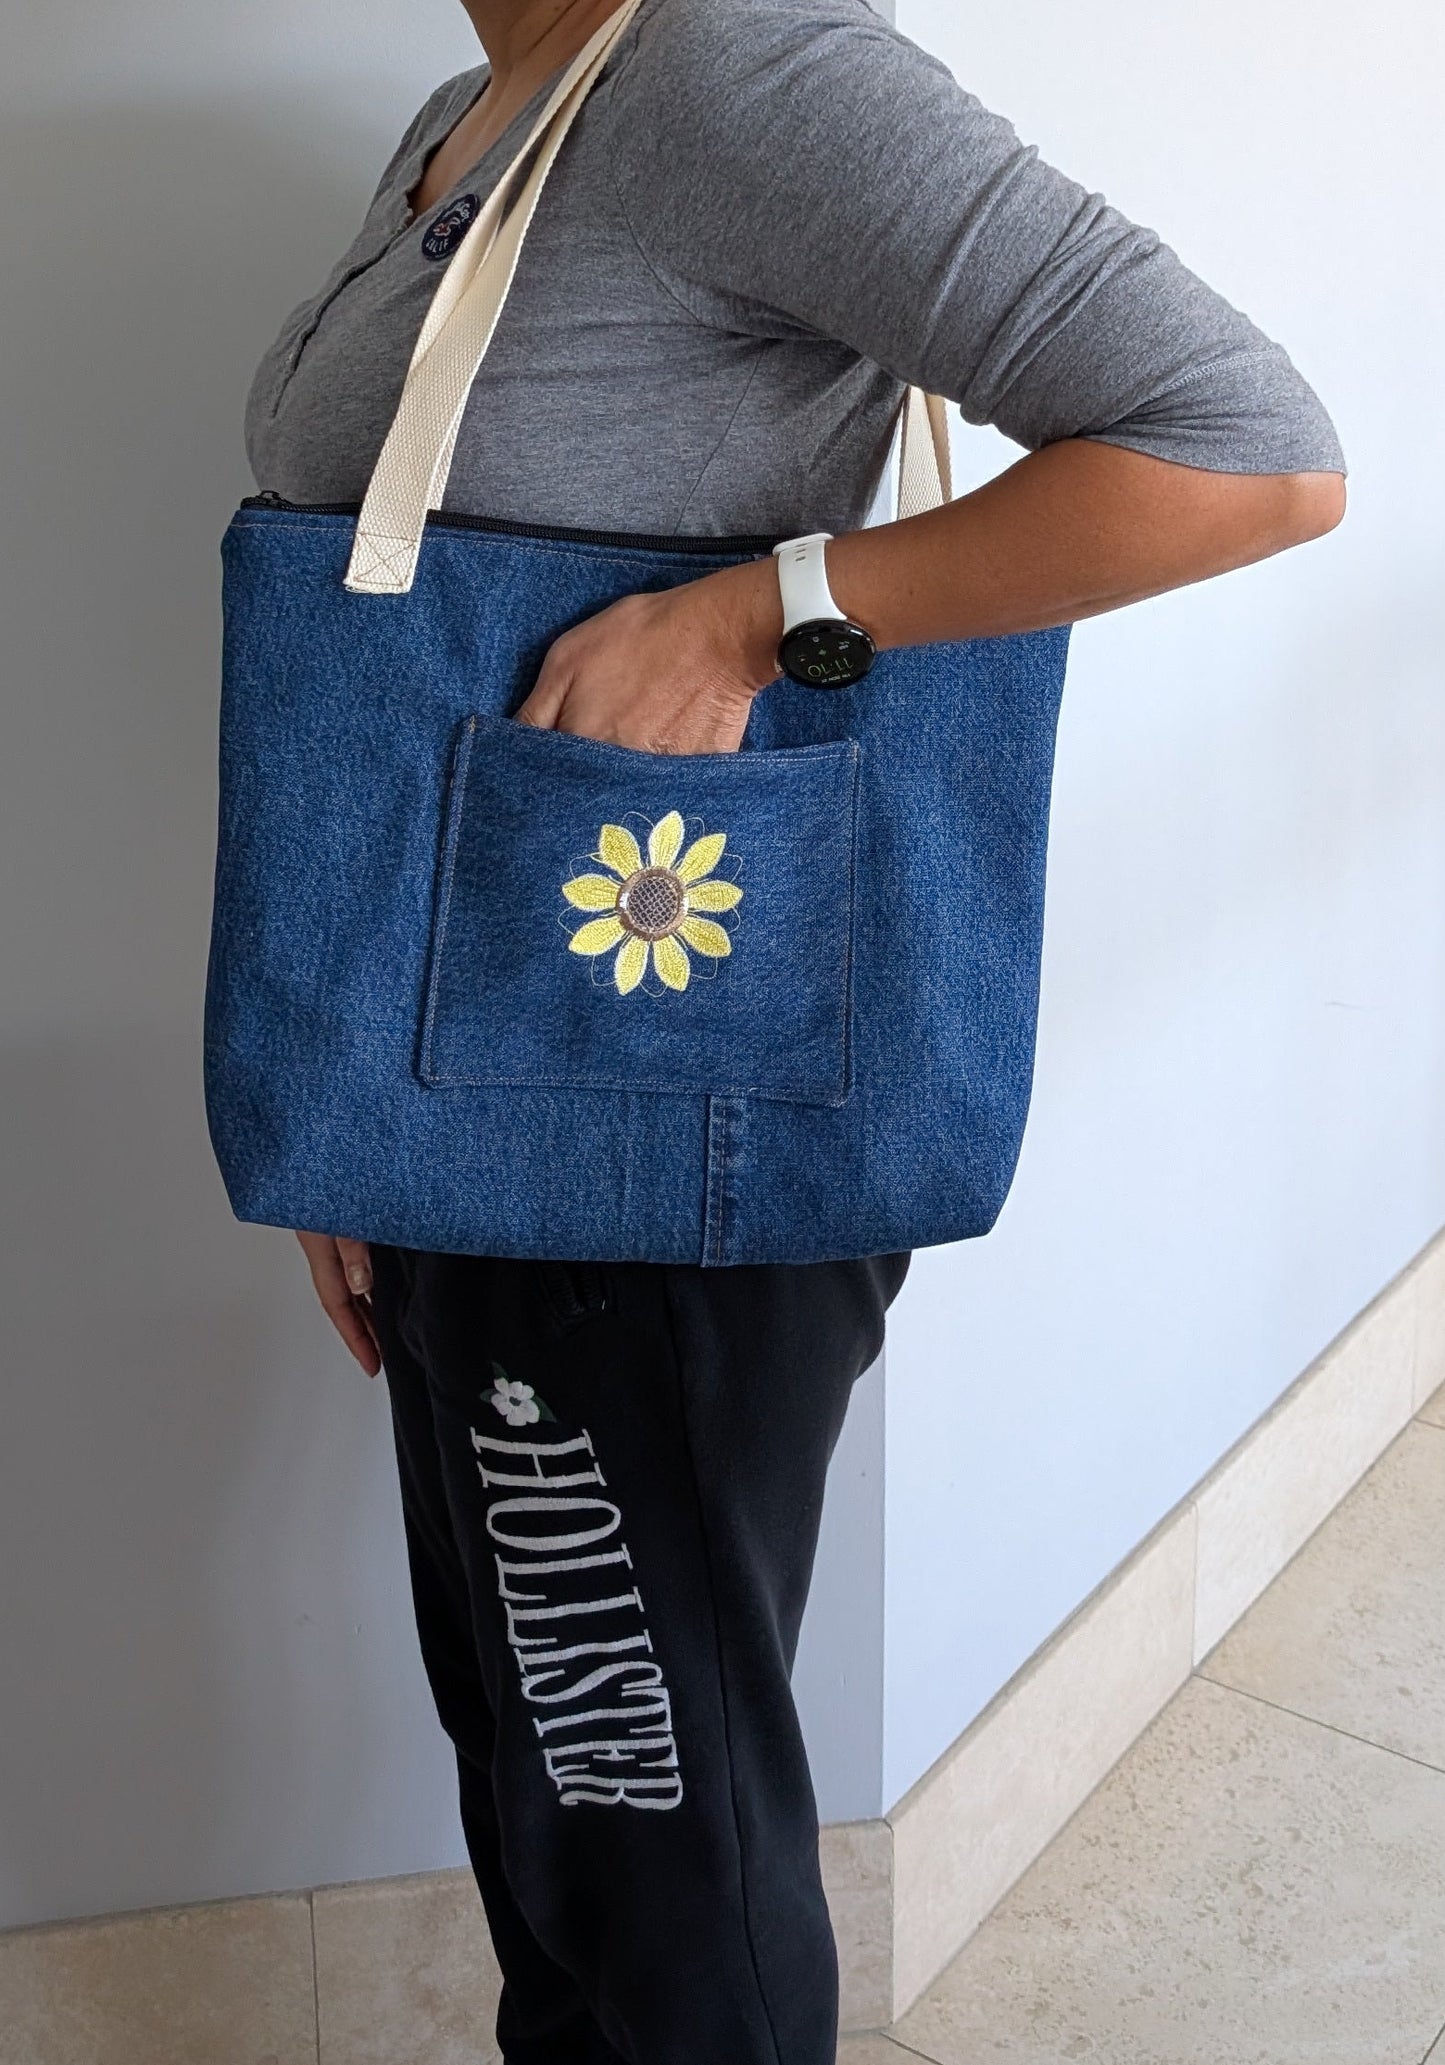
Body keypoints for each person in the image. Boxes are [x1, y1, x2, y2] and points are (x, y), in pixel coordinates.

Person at [243, 0, 1346, 2057]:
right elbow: (399, 674)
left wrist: (761, 613)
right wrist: (350, 1089)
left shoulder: (738, 66)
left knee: (646, 1832)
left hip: (656, 1121)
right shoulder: (480, 107)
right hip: (474, 1071)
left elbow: (1250, 454)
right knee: (551, 1783)